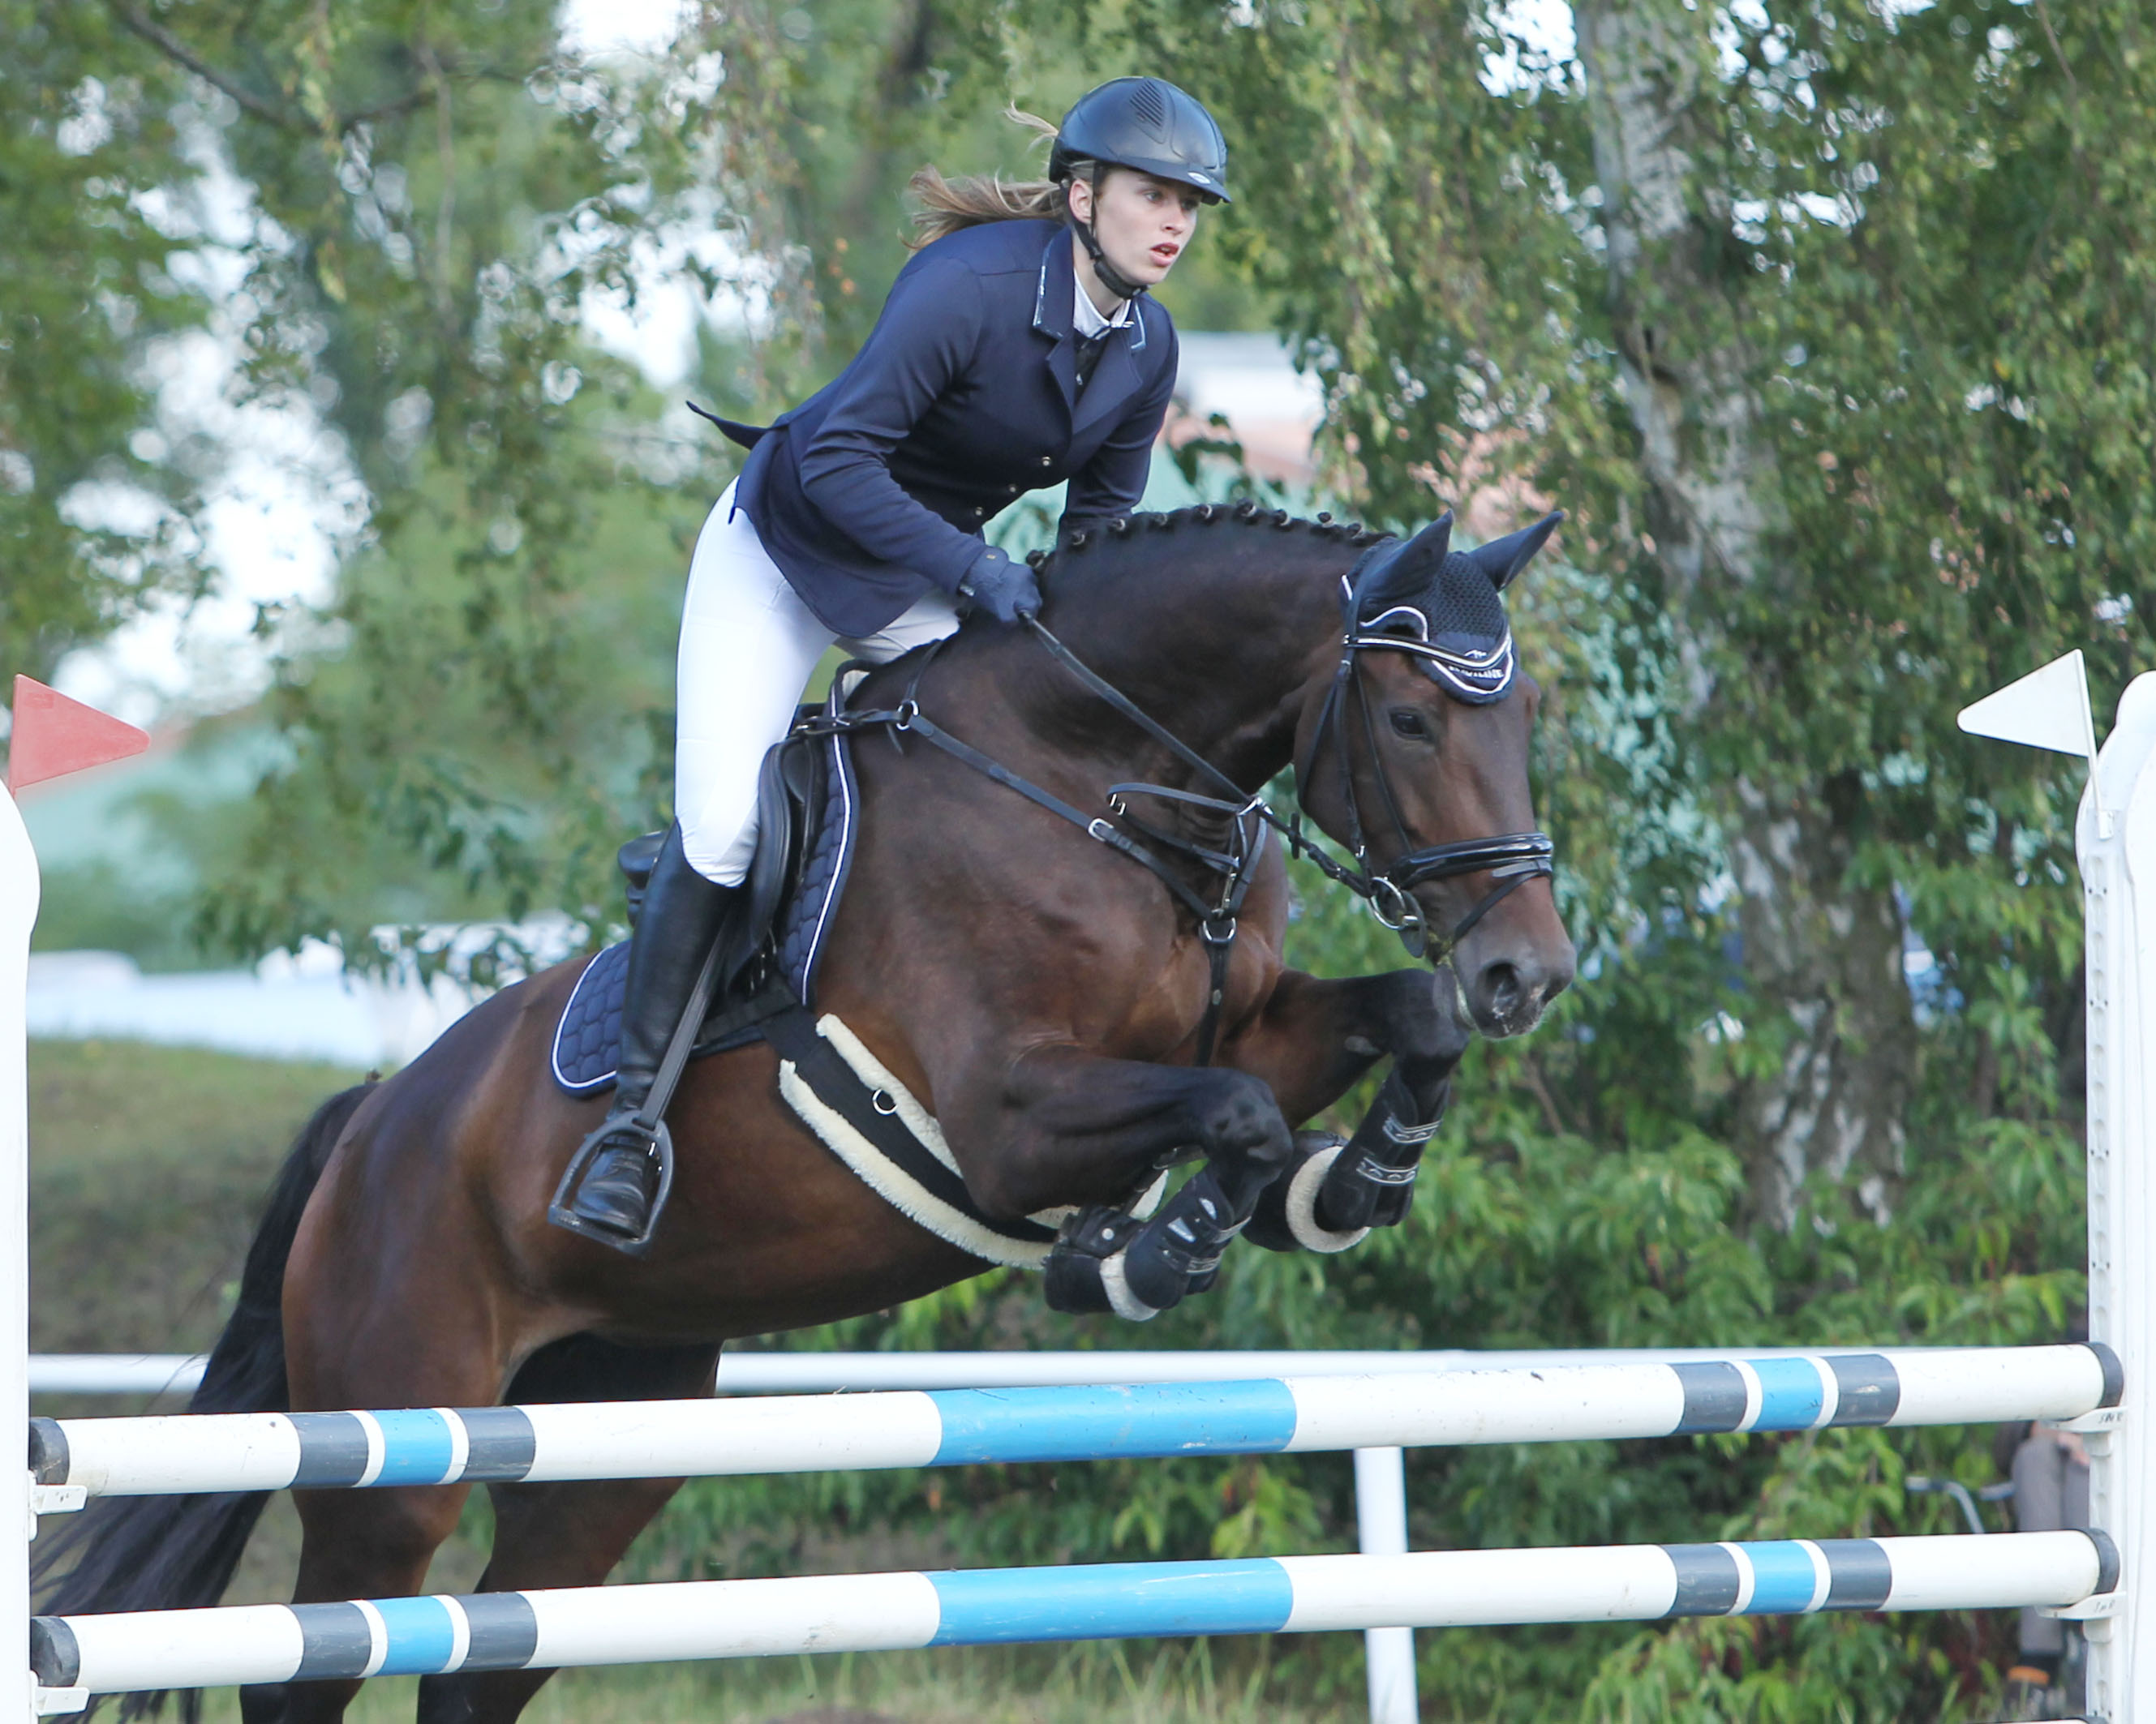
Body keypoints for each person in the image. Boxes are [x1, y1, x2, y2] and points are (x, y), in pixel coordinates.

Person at [554, 76, 1231, 1250]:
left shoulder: (1144, 346)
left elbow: (1099, 532)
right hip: (785, 547)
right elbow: (837, 466)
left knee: (1011, 780)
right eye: (1151, 195)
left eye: (1189, 204)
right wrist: (975, 576)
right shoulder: (965, 291)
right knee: (722, 827)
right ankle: (629, 1124)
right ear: (1081, 195)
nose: (1173, 222)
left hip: (920, 574)